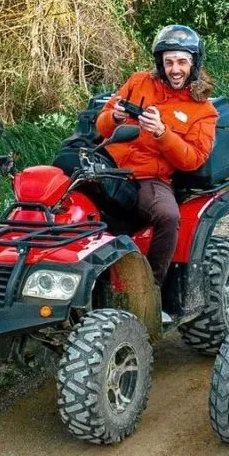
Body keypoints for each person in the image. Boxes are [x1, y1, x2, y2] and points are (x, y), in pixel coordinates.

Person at [92, 24, 218, 290]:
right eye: (169, 61)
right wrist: (113, 117)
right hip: (110, 164)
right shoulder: (138, 81)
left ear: (194, 64)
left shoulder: (203, 111)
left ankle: (152, 289)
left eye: (182, 62)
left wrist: (162, 132)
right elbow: (101, 124)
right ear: (160, 63)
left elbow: (193, 159)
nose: (175, 69)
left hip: (150, 176)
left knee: (168, 215)